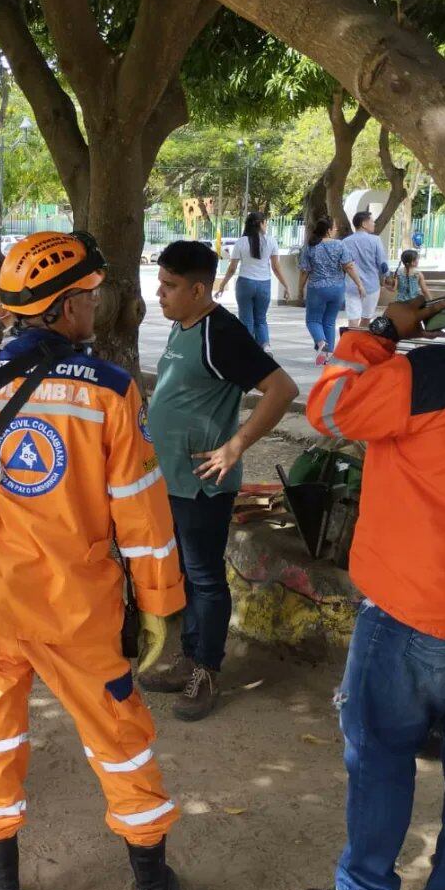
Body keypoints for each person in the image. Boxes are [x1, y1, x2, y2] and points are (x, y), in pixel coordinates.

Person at [0, 232, 186, 890]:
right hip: (76, 611)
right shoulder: (111, 391)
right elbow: (141, 511)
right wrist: (159, 605)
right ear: (64, 307)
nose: (96, 305)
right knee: (120, 740)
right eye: (89, 295)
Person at [301, 296, 445, 890]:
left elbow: (330, 408)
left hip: (410, 612)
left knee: (381, 756)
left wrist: (379, 332)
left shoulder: (430, 376)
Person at [141, 241, 298, 719]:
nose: (159, 292)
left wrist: (235, 445)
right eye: (160, 282)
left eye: (169, 285)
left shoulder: (222, 332)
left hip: (202, 484)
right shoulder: (182, 324)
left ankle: (206, 670)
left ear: (198, 290)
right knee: (189, 575)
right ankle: (190, 658)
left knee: (206, 578)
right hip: (172, 478)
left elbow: (282, 389)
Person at [216, 212, 291, 350]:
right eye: (265, 223)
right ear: (261, 224)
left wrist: (222, 285)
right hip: (264, 284)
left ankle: (248, 350)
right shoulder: (271, 241)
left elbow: (232, 268)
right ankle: (265, 346)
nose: (266, 225)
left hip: (245, 284)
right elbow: (276, 268)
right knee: (261, 319)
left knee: (246, 320)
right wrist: (286, 285)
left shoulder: (241, 242)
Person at [298, 218, 366, 365]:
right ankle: (328, 356)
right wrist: (359, 284)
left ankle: (321, 343)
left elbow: (305, 271)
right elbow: (349, 266)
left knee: (313, 320)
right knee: (329, 322)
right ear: (328, 230)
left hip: (317, 289)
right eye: (334, 228)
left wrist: (300, 288)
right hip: (337, 289)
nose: (336, 230)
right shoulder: (339, 245)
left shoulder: (310, 247)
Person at [343, 210, 388, 328]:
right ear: (364, 224)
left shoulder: (345, 242)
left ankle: (351, 338)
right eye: (372, 221)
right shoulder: (376, 240)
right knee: (366, 318)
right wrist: (386, 277)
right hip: (371, 286)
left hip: (351, 286)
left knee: (353, 319)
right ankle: (360, 338)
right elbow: (382, 264)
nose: (374, 223)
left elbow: (343, 264)